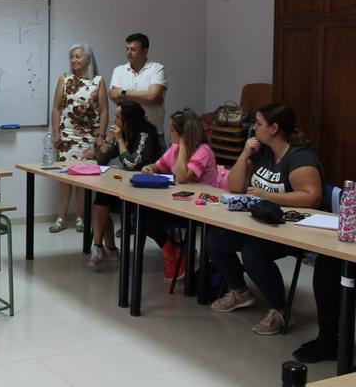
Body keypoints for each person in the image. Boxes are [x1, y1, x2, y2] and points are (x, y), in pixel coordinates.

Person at [207, 102, 325, 335]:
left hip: (290, 227)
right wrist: (244, 154)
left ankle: (278, 310)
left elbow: (312, 197)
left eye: (259, 124)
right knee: (215, 240)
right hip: (261, 222)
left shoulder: (300, 158)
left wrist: (268, 195)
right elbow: (235, 187)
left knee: (253, 253)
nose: (254, 127)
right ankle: (240, 292)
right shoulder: (263, 152)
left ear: (274, 128)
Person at [141, 108, 227, 280]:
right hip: (178, 204)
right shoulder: (174, 148)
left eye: (172, 130)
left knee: (150, 219)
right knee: (143, 216)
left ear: (182, 134)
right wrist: (150, 168)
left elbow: (182, 177)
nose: (168, 132)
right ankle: (173, 251)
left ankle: (175, 254)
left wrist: (183, 147)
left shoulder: (203, 151)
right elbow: (159, 165)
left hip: (199, 210)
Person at [88, 100, 162, 266]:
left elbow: (131, 165)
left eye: (118, 117)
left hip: (146, 189)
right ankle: (101, 248)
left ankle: (103, 249)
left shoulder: (145, 134)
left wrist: (120, 140)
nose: (114, 120)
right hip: (127, 185)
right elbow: (101, 160)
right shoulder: (123, 131)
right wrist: (108, 139)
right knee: (101, 198)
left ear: (129, 120)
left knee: (105, 198)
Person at [49, 43, 108, 233]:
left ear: (88, 59)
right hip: (67, 135)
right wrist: (56, 132)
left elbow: (105, 111)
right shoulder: (64, 79)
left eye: (78, 56)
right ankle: (61, 218)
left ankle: (81, 217)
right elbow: (57, 108)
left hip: (88, 137)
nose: (74, 60)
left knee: (83, 181)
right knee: (65, 179)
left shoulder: (98, 81)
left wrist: (101, 136)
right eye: (72, 56)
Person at [109, 33, 167, 148]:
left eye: (133, 49)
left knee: (156, 166)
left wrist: (123, 93)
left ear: (145, 51)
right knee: (128, 165)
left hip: (153, 133)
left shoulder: (157, 69)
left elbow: (153, 97)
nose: (129, 53)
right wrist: (146, 97)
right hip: (128, 134)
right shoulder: (119, 70)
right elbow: (113, 96)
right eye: (127, 49)